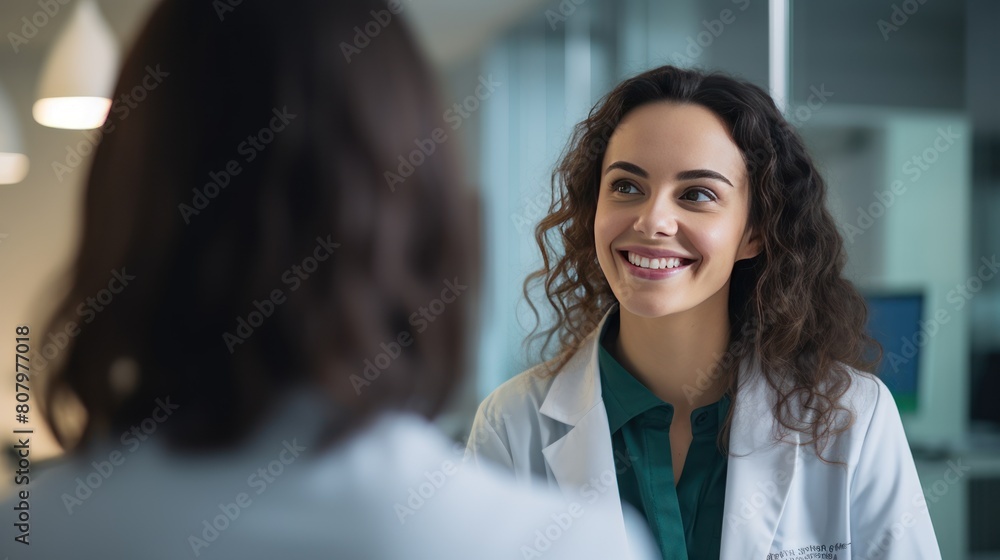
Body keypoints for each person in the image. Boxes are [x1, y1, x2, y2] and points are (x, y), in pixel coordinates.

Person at [0, 1, 659, 558]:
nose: (654, 223)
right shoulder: (566, 546)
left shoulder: (31, 534)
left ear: (123, 212)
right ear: (431, 220)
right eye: (627, 187)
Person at [466, 65, 942, 560]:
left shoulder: (852, 417)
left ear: (754, 232)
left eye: (697, 194)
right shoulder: (511, 426)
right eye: (627, 186)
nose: (652, 221)